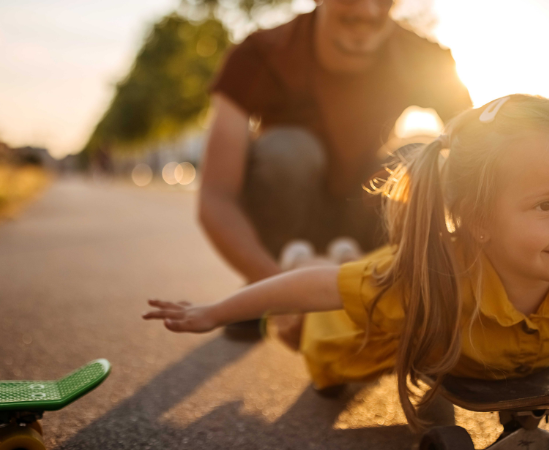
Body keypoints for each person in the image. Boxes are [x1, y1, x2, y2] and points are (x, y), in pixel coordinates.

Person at [145, 95, 549, 430]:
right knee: (305, 328)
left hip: (411, 312)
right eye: (546, 205)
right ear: (478, 220)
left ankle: (341, 257)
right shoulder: (426, 281)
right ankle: (318, 255)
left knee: (349, 275)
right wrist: (216, 311)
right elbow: (316, 290)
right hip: (356, 334)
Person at [197, 0, 472, 295]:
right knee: (288, 151)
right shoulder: (260, 54)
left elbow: (479, 154)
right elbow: (217, 196)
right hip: (285, 228)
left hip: (366, 217)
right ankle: (273, 279)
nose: (367, 10)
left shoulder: (424, 57)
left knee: (417, 158)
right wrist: (275, 287)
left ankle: (388, 285)